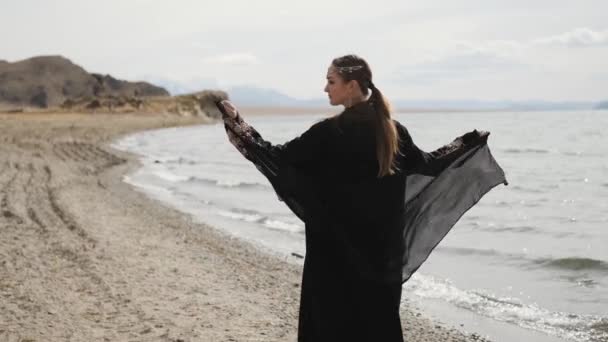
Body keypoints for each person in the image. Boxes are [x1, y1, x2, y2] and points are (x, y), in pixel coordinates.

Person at [216, 54, 507, 342]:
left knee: (331, 325)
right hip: (380, 255)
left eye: (331, 81)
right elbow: (428, 165)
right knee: (377, 326)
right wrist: (465, 144)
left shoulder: (329, 133)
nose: (325, 88)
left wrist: (238, 124)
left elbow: (277, 158)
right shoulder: (393, 132)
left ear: (352, 86)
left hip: (334, 254)